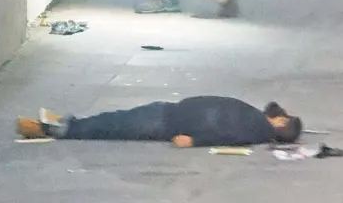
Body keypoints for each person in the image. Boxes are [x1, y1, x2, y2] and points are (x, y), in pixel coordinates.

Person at [16, 96, 303, 148]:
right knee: (118, 121)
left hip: (170, 120)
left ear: (281, 124)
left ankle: (55, 128)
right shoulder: (260, 120)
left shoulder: (255, 130)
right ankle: (66, 124)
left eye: (282, 118)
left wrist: (195, 141)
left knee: (117, 124)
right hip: (172, 114)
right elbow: (272, 105)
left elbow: (229, 137)